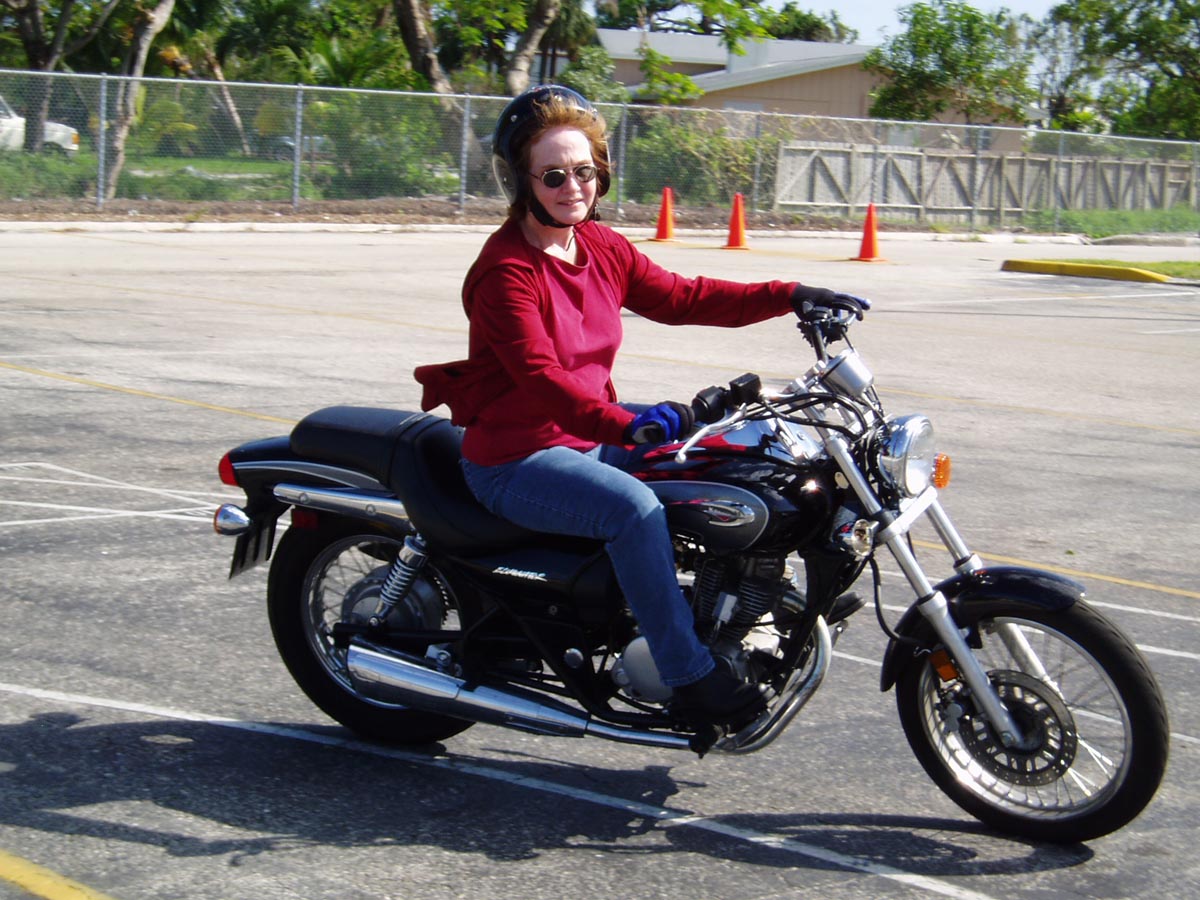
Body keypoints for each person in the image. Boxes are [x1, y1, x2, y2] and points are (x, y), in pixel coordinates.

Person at [415, 85, 863, 729]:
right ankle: (689, 676)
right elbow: (543, 383)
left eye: (584, 171)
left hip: (588, 434)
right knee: (634, 511)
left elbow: (684, 296)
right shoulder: (506, 271)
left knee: (734, 448)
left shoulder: (598, 244)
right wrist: (629, 425)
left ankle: (749, 601)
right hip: (517, 457)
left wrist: (789, 294)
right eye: (552, 175)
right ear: (520, 180)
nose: (573, 186)